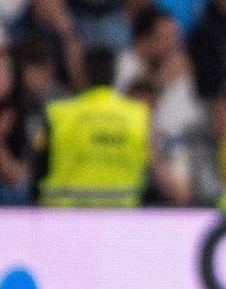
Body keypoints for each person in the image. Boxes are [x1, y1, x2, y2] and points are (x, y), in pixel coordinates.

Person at [36, 46, 151, 207]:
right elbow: (148, 169)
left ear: (82, 75)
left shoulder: (58, 114)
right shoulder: (138, 115)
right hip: (121, 217)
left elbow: (38, 167)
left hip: (65, 219)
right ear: (114, 75)